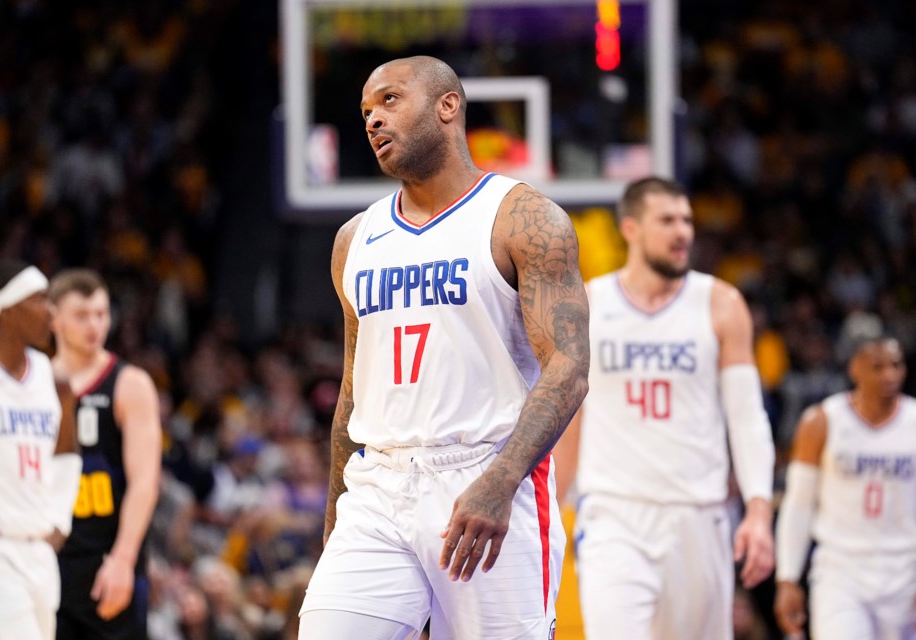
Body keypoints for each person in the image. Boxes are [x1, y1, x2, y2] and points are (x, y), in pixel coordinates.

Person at [298, 56, 590, 639]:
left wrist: (502, 480)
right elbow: (353, 391)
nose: (373, 120)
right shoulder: (354, 239)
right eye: (364, 112)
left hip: (484, 472)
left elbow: (570, 366)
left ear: (447, 106)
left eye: (389, 100)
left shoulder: (522, 217)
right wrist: (335, 522)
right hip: (378, 487)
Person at [554, 177, 776, 639]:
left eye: (688, 221)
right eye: (668, 220)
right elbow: (571, 415)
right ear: (630, 228)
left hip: (698, 513)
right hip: (614, 513)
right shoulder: (590, 303)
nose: (683, 232)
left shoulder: (721, 303)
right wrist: (552, 504)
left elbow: (747, 416)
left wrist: (758, 510)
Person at [0, 259, 81, 639]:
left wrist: (60, 520)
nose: (52, 312)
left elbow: (66, 454)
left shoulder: (54, 380)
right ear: (6, 310)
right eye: (41, 299)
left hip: (39, 552)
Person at [774, 334, 916, 640]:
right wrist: (787, 578)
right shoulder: (821, 421)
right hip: (841, 572)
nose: (889, 375)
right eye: (877, 367)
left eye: (896, 365)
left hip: (906, 574)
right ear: (855, 369)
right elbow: (798, 504)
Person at [49, 268, 161, 639]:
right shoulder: (33, 383)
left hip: (106, 561)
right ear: (54, 319)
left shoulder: (130, 384)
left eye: (101, 313)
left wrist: (124, 560)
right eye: (82, 315)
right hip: (47, 561)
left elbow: (145, 482)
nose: (94, 324)